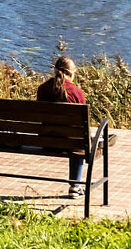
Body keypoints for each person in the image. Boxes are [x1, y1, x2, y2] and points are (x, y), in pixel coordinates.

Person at [36, 56, 86, 198]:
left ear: (54, 70)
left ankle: (75, 186)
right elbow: (81, 125)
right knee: (79, 141)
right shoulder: (76, 93)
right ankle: (75, 187)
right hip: (70, 144)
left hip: (46, 142)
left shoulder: (42, 89)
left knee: (77, 139)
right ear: (72, 73)